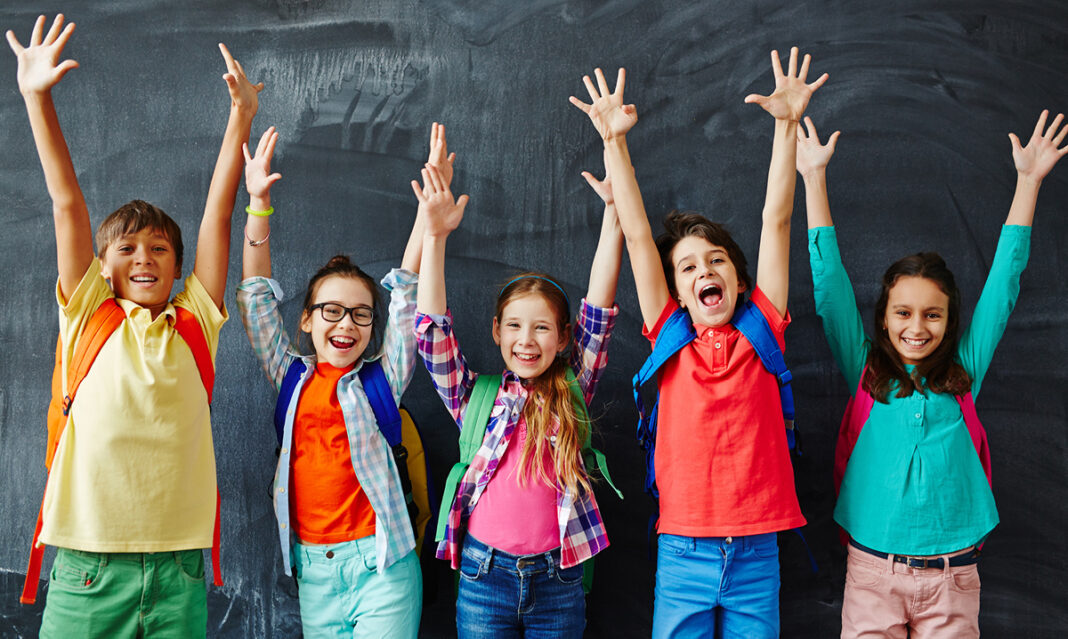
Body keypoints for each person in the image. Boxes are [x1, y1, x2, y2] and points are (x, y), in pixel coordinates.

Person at [8, 13, 261, 638]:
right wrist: (37, 98)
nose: (143, 258)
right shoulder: (89, 313)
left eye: (158, 249)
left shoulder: (196, 322)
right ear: (101, 265)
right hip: (88, 570)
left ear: (179, 268)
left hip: (178, 570)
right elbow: (67, 201)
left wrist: (240, 119)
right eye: (126, 248)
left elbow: (217, 217)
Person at [569, 48, 826, 638]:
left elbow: (777, 220)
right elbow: (638, 236)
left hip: (757, 551)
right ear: (679, 294)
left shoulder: (763, 325)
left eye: (716, 261)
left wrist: (785, 127)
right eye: (687, 267)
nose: (703, 270)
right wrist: (615, 142)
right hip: (683, 551)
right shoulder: (670, 333)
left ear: (738, 279)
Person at [798, 111, 1067, 639]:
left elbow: (1003, 283)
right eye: (903, 313)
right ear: (884, 318)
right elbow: (829, 287)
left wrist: (1029, 182)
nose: (916, 327)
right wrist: (812, 178)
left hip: (953, 577)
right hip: (873, 574)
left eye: (932, 314)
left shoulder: (964, 370)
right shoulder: (866, 368)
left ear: (951, 320)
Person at [236, 123, 458, 638]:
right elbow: (254, 297)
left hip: (382, 563)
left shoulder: (382, 378)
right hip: (314, 569)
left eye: (361, 315)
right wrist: (257, 203)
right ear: (307, 320)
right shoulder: (289, 376)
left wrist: (428, 223)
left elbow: (405, 295)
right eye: (332, 311)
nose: (347, 325)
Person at [413, 148, 624, 638]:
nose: (527, 340)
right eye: (514, 326)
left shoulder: (574, 389)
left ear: (564, 337)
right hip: (485, 578)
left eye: (542, 328)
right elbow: (431, 333)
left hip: (558, 578)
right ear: (496, 331)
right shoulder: (475, 398)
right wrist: (435, 236)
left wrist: (615, 213)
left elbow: (600, 311)